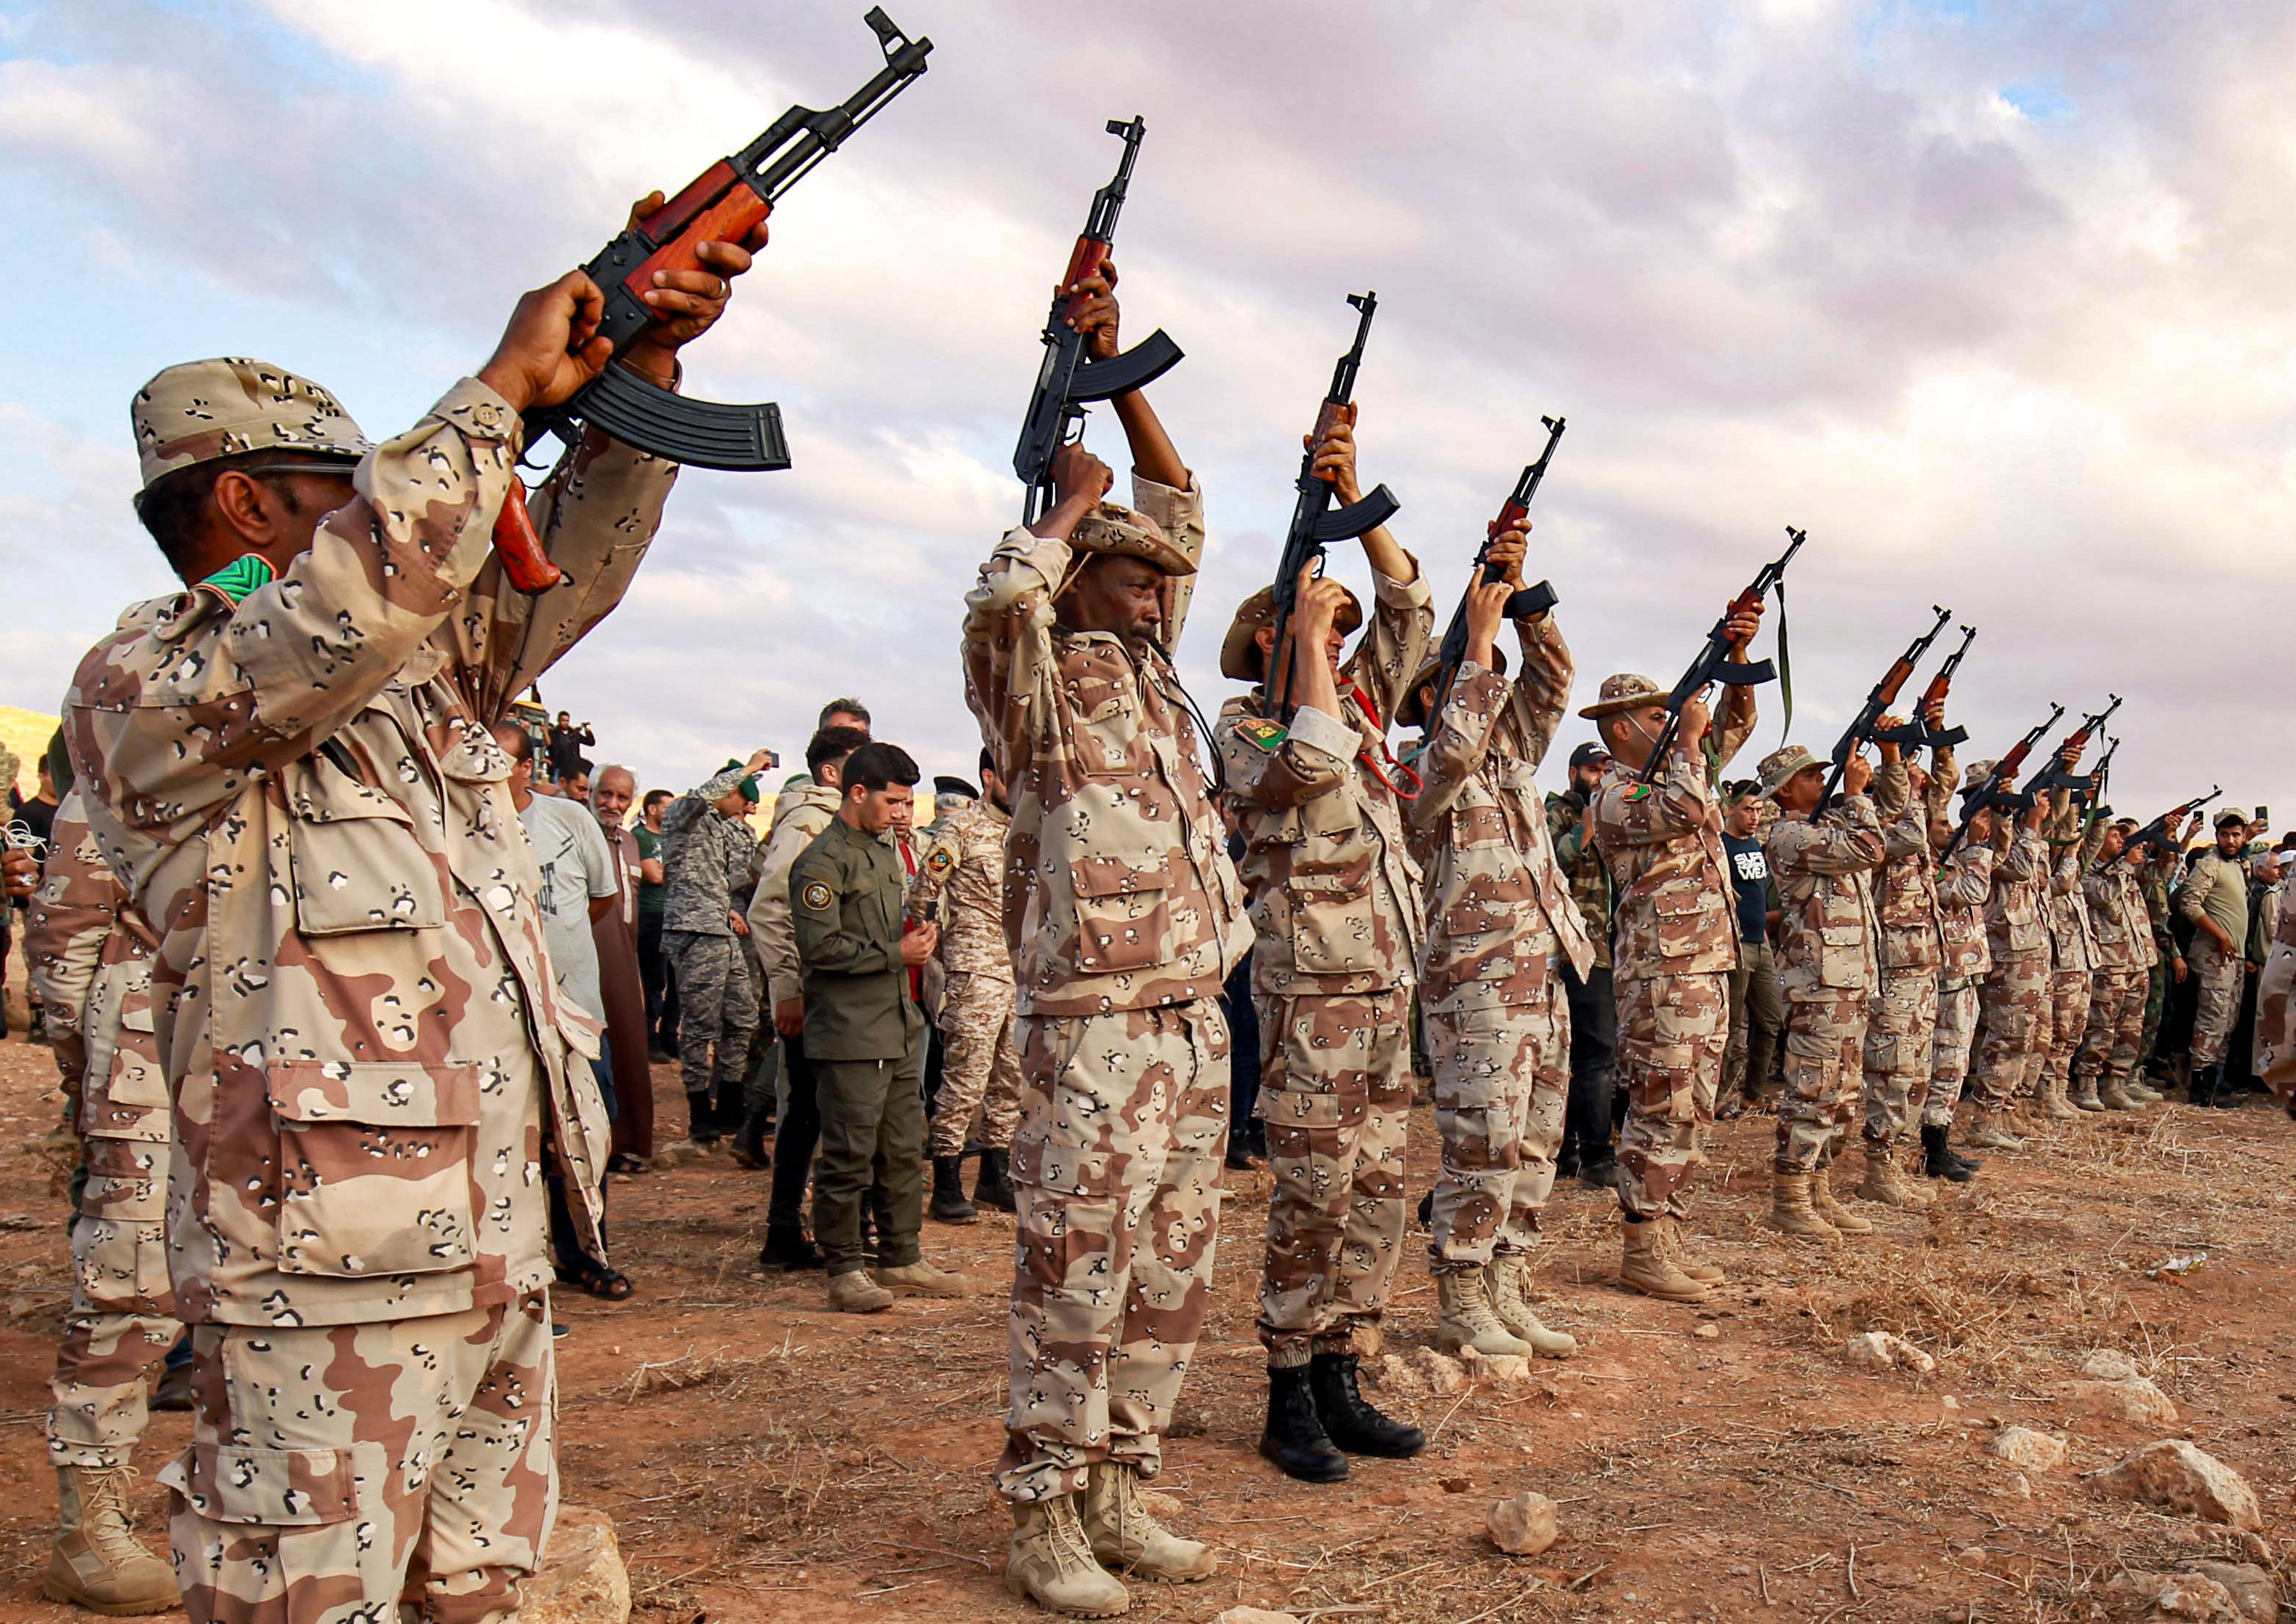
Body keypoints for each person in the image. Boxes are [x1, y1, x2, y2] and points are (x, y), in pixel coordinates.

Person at [64, 219, 754, 1620]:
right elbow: (352, 601)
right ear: (252, 508)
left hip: (491, 1252)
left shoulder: (421, 687)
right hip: (323, 1282)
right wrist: (496, 390)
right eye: (346, 485)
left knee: (483, 1593)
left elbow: (564, 564)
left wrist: (644, 379)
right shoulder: (154, 683)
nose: (408, 501)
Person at [962, 264, 1244, 1614]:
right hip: (1093, 1026)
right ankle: (1041, 1515)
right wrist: (1069, 509)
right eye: (1129, 578)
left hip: (1190, 1018)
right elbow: (995, 604)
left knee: (1171, 1272)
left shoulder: (1152, 673)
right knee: (1074, 1273)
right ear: (1081, 577)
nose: (1154, 595)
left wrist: (1122, 381)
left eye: (1155, 583)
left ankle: (1122, 1483)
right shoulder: (1035, 686)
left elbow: (1183, 508)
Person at [1218, 408, 1433, 1487]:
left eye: (1338, 628)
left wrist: (1356, 503)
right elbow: (1300, 771)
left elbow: (1413, 611)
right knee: (1313, 1187)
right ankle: (1288, 1385)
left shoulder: (1352, 699)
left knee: (1380, 1184)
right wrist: (1302, 638)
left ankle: (1348, 1362)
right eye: (1312, 624)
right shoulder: (1244, 723)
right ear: (1269, 635)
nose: (1340, 638)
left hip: (1385, 983)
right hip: (1311, 991)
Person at [1398, 532, 1589, 1363]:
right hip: (1473, 980)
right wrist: (1477, 641)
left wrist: (1523, 603)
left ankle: (1510, 1278)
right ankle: (1462, 1292)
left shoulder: (1507, 755)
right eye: (1473, 681)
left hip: (1540, 970)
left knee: (1536, 1136)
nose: (1492, 691)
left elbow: (1552, 681)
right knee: (1482, 1138)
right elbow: (1453, 749)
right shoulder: (1413, 766)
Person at [26, 793, 180, 1614]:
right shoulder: (144, 731)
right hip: (147, 1027)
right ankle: (88, 1529)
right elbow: (66, 930)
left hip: (294, 1025)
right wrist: (88, 1070)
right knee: (132, 1280)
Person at [1580, 622, 1764, 1301]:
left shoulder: (1685, 766)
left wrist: (1736, 656)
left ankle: (1669, 1232)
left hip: (1701, 965)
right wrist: (1686, 741)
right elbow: (1685, 807)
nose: (1676, 720)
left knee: (1694, 1108)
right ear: (1623, 729)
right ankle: (1642, 1245)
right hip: (1662, 972)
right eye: (1660, 713)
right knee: (1661, 1104)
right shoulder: (1618, 794)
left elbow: (1735, 723)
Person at [789, 741, 964, 1312]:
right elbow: (821, 947)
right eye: (891, 800)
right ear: (857, 792)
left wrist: (917, 940)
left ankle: (901, 1254)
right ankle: (844, 1267)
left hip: (897, 1024)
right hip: (850, 1033)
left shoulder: (887, 853)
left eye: (906, 802)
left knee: (899, 1149)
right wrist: (897, 953)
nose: (899, 812)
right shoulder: (821, 862)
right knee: (848, 1156)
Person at [496, 723, 630, 1301]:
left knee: (586, 1129)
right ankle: (518, 1265)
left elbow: (600, 898)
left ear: (527, 767)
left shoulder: (569, 821)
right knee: (512, 1140)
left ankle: (586, 1252)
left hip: (574, 1009)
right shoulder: (458, 827)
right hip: (497, 1017)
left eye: (499, 760)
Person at [1757, 737, 1891, 1238]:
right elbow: (1870, 848)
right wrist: (1856, 794)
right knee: (1812, 1090)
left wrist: (1887, 766)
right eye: (1810, 775)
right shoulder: (1790, 834)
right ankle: (1789, 1198)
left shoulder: (1825, 829)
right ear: (1786, 791)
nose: (1822, 779)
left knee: (1842, 1093)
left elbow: (1893, 831)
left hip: (1848, 984)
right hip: (1818, 987)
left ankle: (1819, 1189)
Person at [748, 724, 869, 1268]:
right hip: (812, 993)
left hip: (841, 991)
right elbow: (768, 908)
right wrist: (788, 990)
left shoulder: (847, 823)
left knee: (829, 1113)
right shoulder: (808, 822)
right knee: (805, 1115)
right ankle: (782, 1232)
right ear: (831, 771)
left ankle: (824, 1228)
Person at [906, 748, 1023, 1221]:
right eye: (1011, 776)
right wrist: (940, 950)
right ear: (988, 776)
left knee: (1012, 1080)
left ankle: (995, 1179)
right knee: (964, 1079)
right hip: (976, 971)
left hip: (1018, 971)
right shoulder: (961, 829)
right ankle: (947, 1183)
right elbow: (922, 894)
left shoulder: (1025, 830)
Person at [1858, 721, 1954, 1202]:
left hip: (1921, 963)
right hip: (1893, 965)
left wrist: (1936, 735)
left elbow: (1946, 788)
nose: (1918, 780)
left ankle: (1894, 1158)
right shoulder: (1874, 825)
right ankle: (1879, 1168)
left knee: (1917, 1068)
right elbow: (1913, 833)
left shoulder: (1910, 816)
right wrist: (1897, 762)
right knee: (1892, 1068)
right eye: (1904, 774)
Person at [660, 752, 773, 1143]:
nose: (745, 807)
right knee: (698, 1026)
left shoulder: (719, 828)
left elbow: (713, 880)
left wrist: (726, 910)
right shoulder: (683, 816)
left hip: (721, 933)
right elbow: (702, 798)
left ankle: (729, 1104)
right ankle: (698, 1111)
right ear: (727, 790)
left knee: (742, 1018)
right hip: (693, 934)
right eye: (742, 797)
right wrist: (747, 769)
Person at [1965, 771, 2052, 1148]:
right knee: (2007, 1036)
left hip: (2029, 947)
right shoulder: (1975, 836)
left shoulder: (2006, 832)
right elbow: (2015, 867)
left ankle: (2007, 1109)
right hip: (2007, 949)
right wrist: (2025, 823)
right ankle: (1985, 1119)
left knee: (2028, 1036)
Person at [1545, 743, 1619, 1182]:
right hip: (1576, 953)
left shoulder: (1615, 814)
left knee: (1596, 1055)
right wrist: (1585, 829)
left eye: (1606, 770)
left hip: (1613, 953)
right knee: (1591, 1056)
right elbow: (1547, 865)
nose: (1600, 777)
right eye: (1593, 770)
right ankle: (1595, 1157)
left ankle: (1571, 1154)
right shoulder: (1559, 813)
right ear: (1574, 773)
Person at [1924, 794, 1996, 1180]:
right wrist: (1978, 845)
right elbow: (1970, 893)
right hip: (1945, 977)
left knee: (1955, 1062)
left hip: (1964, 974)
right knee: (1945, 1062)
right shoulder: (1931, 869)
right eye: (1942, 825)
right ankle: (1933, 1148)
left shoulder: (1955, 862)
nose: (1949, 830)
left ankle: (1942, 1141)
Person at [590, 766, 657, 1172]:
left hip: (624, 956)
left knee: (629, 1049)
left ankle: (623, 1143)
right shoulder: (578, 835)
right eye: (605, 795)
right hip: (588, 957)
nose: (612, 805)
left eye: (621, 798)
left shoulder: (630, 843)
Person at [2034, 783, 2111, 1122]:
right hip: (2062, 960)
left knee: (2075, 1029)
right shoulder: (2049, 868)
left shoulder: (2073, 865)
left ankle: (2061, 1090)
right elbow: (2061, 878)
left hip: (2081, 958)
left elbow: (2090, 843)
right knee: (2059, 1028)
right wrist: (2068, 852)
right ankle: (2046, 1092)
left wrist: (2093, 805)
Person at [2078, 819, 2160, 1112]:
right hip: (2111, 966)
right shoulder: (2088, 874)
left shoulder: (2128, 874)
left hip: (2137, 961)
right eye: (2115, 837)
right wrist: (2124, 866)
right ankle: (2088, 1083)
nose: (2120, 842)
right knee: (2102, 1026)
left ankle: (2117, 1082)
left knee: (2130, 1028)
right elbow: (2102, 897)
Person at [2179, 810, 2253, 1107]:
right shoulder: (2209, 864)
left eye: (2236, 834)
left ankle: (2216, 1081)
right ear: (2217, 836)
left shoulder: (2235, 865)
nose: (2231, 840)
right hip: (2214, 955)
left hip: (2234, 956)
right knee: (2212, 1018)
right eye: (2225, 835)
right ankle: (2201, 1085)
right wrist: (2220, 935)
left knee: (2228, 1020)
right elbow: (2189, 902)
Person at [1719, 781, 1782, 1117]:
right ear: (1730, 808)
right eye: (1748, 809)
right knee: (1732, 1027)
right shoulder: (1721, 846)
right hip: (1736, 944)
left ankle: (1753, 1094)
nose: (1755, 816)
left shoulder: (1756, 845)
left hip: (1761, 943)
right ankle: (1719, 1097)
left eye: (1758, 810)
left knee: (1770, 1020)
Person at [636, 787, 673, 1059]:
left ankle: (669, 1036)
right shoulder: (640, 837)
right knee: (653, 979)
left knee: (675, 977)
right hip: (651, 915)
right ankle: (649, 1038)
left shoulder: (672, 838)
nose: (671, 813)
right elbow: (655, 876)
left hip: (673, 914)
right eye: (666, 807)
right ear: (652, 809)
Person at [547, 710, 595, 782]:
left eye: (567, 721)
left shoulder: (574, 734)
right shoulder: (553, 733)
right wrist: (547, 759)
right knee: (556, 790)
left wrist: (587, 730)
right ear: (558, 720)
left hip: (572, 768)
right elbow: (545, 745)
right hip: (557, 767)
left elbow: (590, 742)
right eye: (563, 720)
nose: (565, 723)